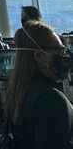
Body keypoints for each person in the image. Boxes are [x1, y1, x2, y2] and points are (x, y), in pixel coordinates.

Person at [5, 20, 73, 148]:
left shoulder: (19, 91)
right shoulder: (50, 99)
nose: (65, 57)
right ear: (40, 56)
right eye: (59, 51)